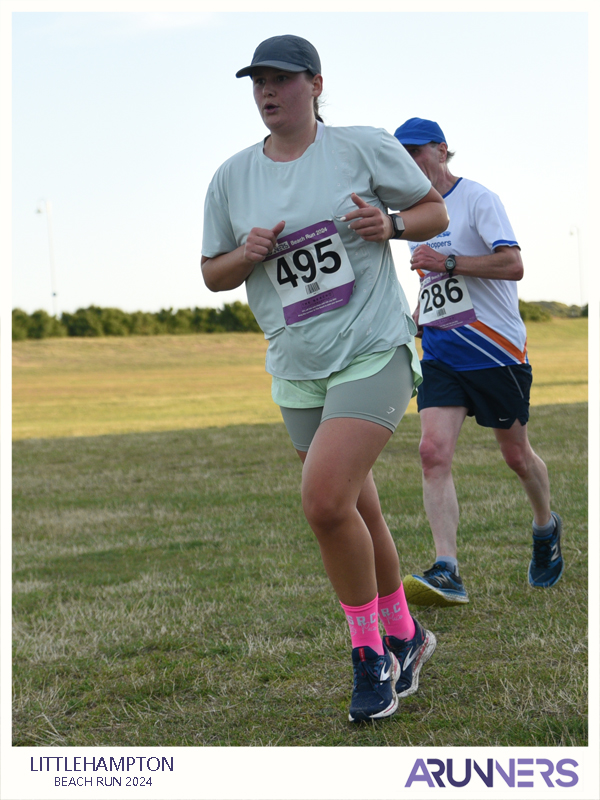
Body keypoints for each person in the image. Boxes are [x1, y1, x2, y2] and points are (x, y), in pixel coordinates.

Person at [201, 36, 449, 722]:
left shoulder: (361, 148)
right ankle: (407, 633)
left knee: (322, 500)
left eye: (281, 79)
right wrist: (244, 253)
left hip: (372, 349)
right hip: (297, 367)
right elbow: (211, 273)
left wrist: (391, 222)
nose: (267, 91)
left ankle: (369, 654)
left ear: (315, 84)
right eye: (258, 82)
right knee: (356, 509)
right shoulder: (231, 178)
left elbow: (435, 212)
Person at [393, 117, 564, 608]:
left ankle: (545, 527)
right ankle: (447, 568)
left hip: (496, 353)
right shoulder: (414, 214)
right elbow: (433, 286)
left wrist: (446, 262)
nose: (410, 161)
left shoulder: (478, 199)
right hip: (443, 353)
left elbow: (512, 265)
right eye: (400, 154)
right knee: (432, 452)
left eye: (417, 151)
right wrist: (417, 318)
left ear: (442, 150)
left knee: (515, 456)